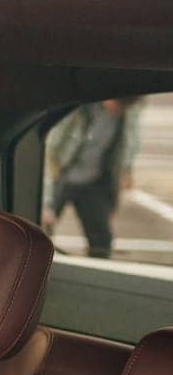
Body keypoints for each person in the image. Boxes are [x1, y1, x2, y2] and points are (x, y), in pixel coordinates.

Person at [46, 97, 142, 258]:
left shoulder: (124, 117)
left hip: (91, 182)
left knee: (102, 239)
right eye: (118, 104)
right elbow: (51, 151)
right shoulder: (78, 111)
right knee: (42, 227)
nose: (119, 109)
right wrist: (46, 200)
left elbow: (126, 148)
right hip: (61, 177)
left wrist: (126, 171)